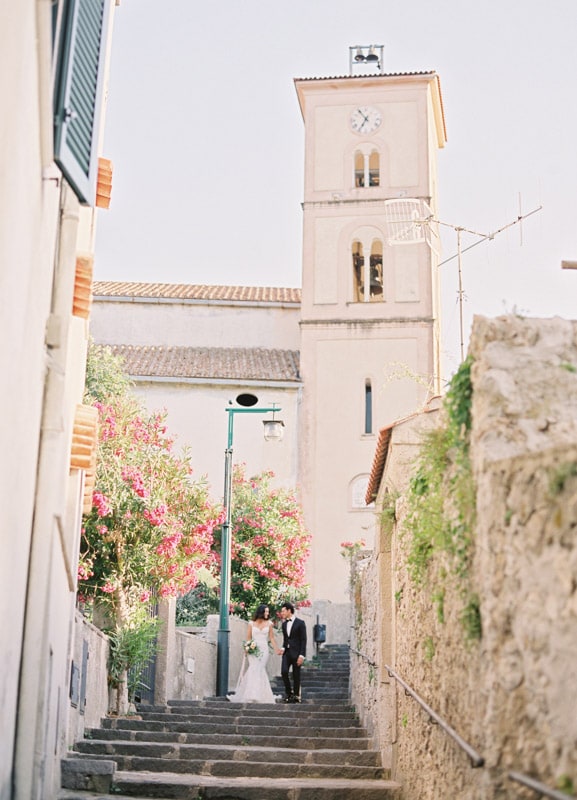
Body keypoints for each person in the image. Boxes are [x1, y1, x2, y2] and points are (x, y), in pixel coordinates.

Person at [227, 604, 281, 704]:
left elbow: (272, 638)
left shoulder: (269, 623)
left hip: (264, 649)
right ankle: (251, 694)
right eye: (266, 611)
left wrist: (277, 649)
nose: (267, 613)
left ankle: (258, 694)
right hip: (253, 648)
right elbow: (248, 637)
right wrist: (247, 647)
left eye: (268, 612)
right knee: (253, 668)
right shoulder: (251, 623)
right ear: (261, 612)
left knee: (259, 668)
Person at [280, 601, 307, 703]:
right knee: (284, 672)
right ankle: (289, 693)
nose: (282, 613)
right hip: (286, 653)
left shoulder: (300, 623)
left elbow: (303, 640)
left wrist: (302, 655)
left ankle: (296, 695)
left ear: (289, 610)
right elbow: (286, 639)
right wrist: (283, 648)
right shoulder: (284, 624)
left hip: (297, 653)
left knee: (296, 675)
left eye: (283, 611)